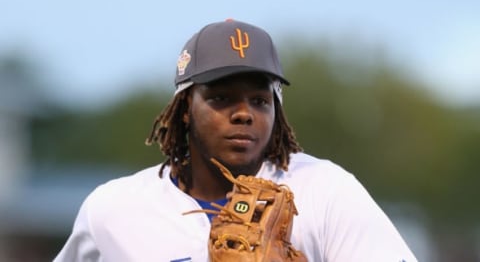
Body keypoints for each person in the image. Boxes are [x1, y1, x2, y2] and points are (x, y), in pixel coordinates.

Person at [54, 19, 418, 262]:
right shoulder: (114, 210)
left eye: (260, 100)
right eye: (222, 98)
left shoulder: (325, 191)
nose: (244, 113)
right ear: (184, 107)